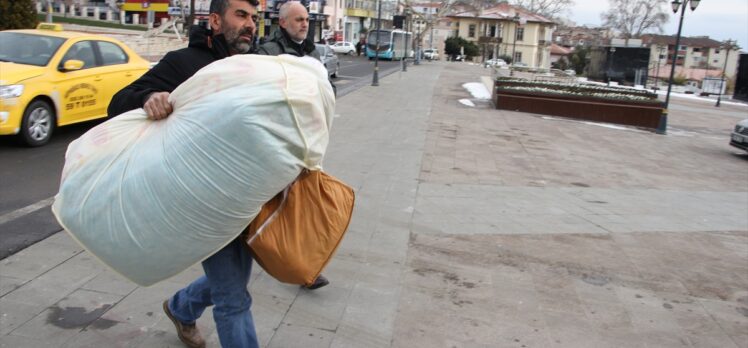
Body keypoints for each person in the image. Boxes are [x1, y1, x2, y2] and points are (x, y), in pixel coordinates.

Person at [107, 1, 261, 347]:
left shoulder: (256, 65)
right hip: (203, 200)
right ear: (215, 21)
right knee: (233, 298)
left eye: (254, 17)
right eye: (241, 15)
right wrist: (150, 97)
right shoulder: (184, 63)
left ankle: (181, 308)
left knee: (236, 277)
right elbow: (118, 101)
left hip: (248, 195)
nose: (250, 24)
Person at [255, 0, 332, 290]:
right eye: (298, 19)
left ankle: (305, 268)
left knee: (305, 205)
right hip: (279, 142)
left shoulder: (310, 51)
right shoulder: (268, 53)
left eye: (306, 19)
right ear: (283, 23)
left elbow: (325, 89)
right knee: (279, 207)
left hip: (306, 141)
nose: (304, 23)